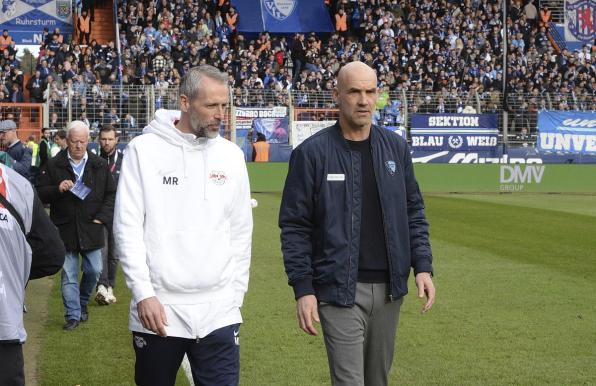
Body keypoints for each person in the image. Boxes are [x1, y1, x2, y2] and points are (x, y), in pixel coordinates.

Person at [279, 61, 436, 386]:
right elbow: (295, 226)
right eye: (354, 92)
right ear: (337, 95)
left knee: (377, 380)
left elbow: (413, 211)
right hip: (338, 290)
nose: (363, 100)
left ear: (378, 95)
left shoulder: (395, 148)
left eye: (370, 91)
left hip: (391, 290)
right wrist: (303, 289)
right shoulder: (312, 154)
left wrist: (422, 265)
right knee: (350, 381)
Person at [113, 65, 253, 386]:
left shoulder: (231, 156)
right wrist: (144, 293)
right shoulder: (143, 151)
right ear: (186, 102)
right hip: (159, 311)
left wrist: (235, 296)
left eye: (225, 105)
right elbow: (128, 227)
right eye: (211, 105)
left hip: (220, 310)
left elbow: (241, 232)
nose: (221, 114)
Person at [36, 121, 116, 331]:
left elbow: (111, 194)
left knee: (95, 270)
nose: (78, 146)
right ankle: (73, 315)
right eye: (74, 141)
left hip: (92, 227)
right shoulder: (54, 165)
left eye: (82, 141)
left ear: (88, 140)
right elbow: (39, 192)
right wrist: (57, 189)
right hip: (64, 229)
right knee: (69, 275)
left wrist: (102, 217)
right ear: (67, 141)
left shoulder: (99, 164)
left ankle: (81, 302)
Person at [0, 163, 65, 386]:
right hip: (5, 323)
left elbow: (52, 255)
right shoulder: (18, 183)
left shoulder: (18, 184)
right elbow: (52, 255)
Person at [95, 125, 123, 305]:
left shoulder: (124, 160)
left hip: (120, 214)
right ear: (98, 140)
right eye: (103, 139)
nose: (107, 142)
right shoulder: (94, 161)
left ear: (116, 140)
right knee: (102, 252)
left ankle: (109, 285)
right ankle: (101, 286)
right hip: (100, 214)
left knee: (114, 254)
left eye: (110, 139)